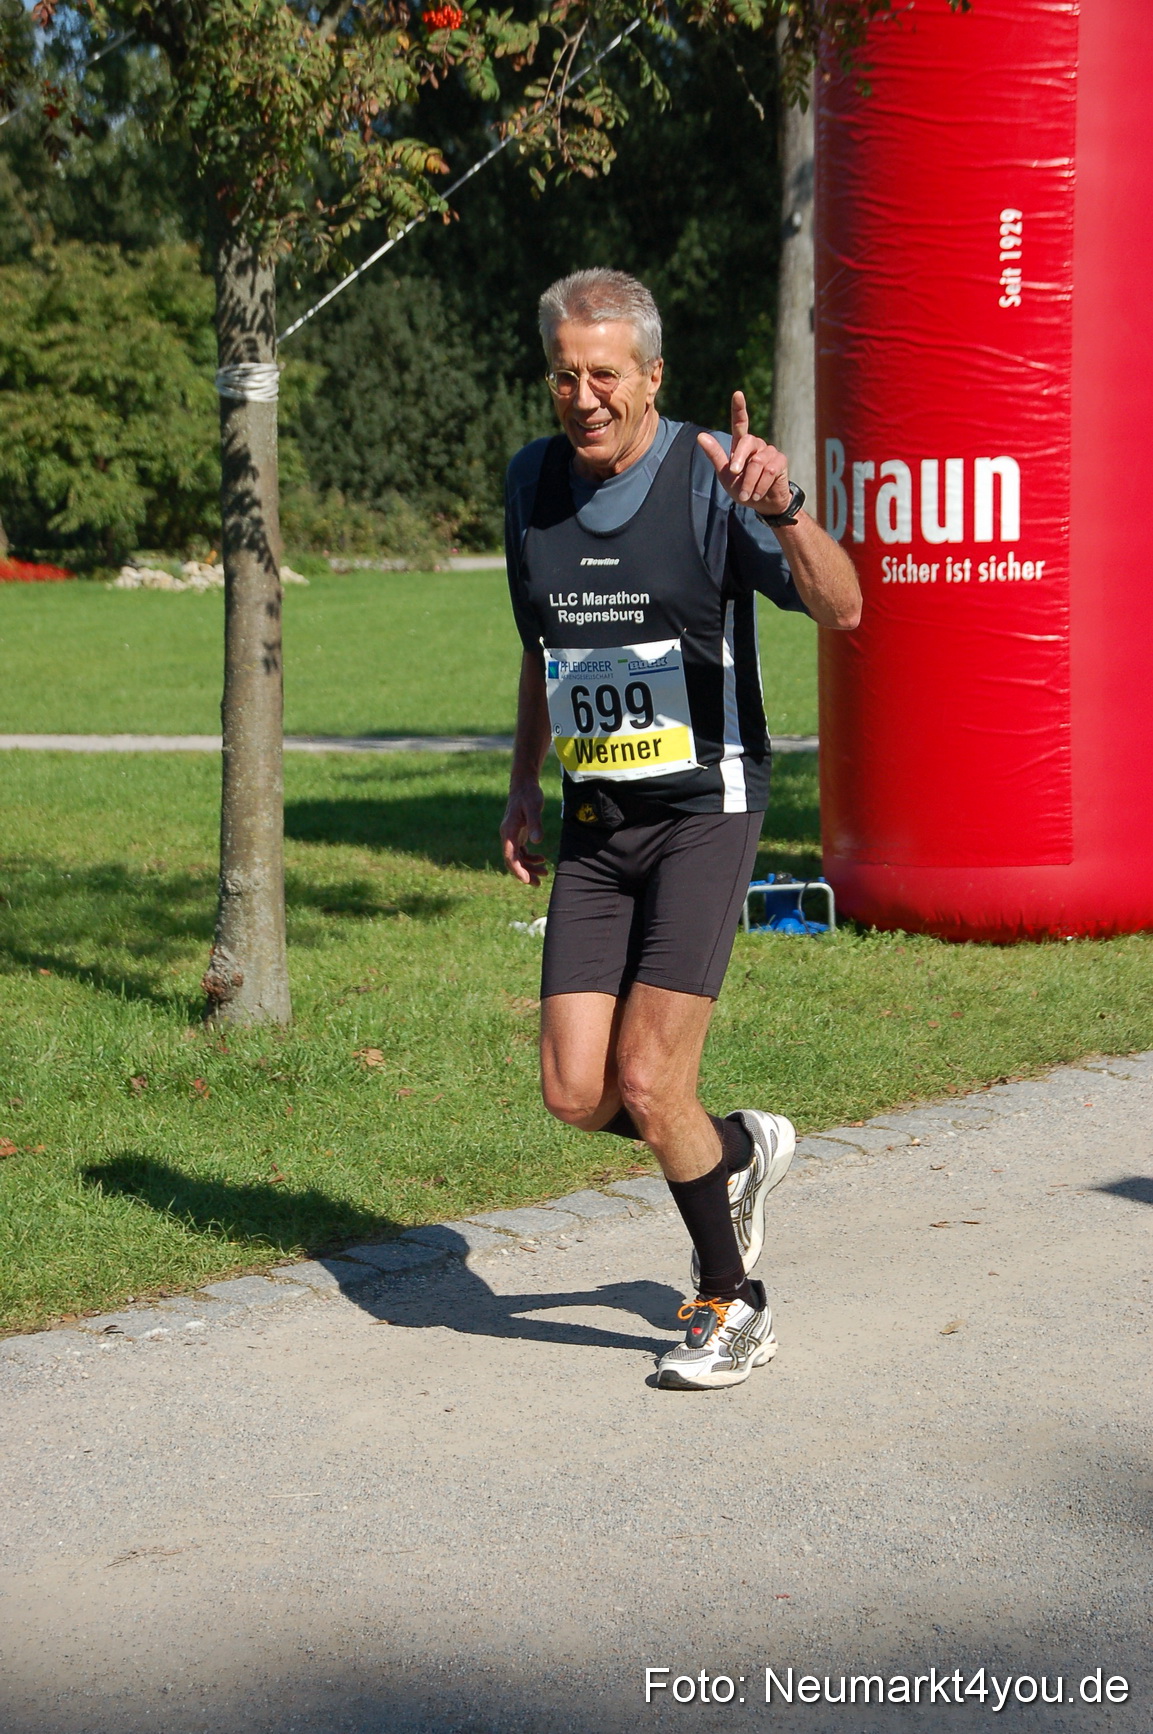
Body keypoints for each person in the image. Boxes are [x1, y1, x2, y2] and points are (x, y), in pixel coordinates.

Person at [500, 269, 861, 1390]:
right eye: (565, 372)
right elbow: (543, 651)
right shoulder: (530, 483)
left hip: (707, 812)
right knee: (576, 1090)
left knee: (651, 1082)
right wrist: (521, 789)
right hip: (598, 821)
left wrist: (785, 511)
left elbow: (844, 606)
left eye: (605, 373)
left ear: (652, 377)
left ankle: (730, 1300)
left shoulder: (715, 477)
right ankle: (737, 1151)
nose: (583, 394)